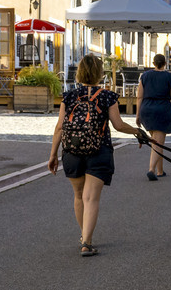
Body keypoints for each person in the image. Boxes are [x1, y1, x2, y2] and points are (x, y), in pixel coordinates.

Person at [48, 53, 146, 257]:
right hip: (98, 150)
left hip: (71, 152)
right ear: (100, 74)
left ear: (80, 73)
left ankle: (84, 236)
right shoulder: (107, 96)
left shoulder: (69, 96)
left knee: (78, 196)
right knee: (91, 198)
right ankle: (87, 241)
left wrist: (53, 155)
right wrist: (137, 132)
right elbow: (118, 125)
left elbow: (59, 127)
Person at [136, 53, 171, 180]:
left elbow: (139, 96)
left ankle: (160, 171)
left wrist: (137, 114)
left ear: (153, 63)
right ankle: (151, 169)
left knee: (157, 141)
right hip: (162, 110)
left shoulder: (144, 76)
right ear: (165, 64)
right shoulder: (170, 77)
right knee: (158, 142)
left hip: (146, 110)